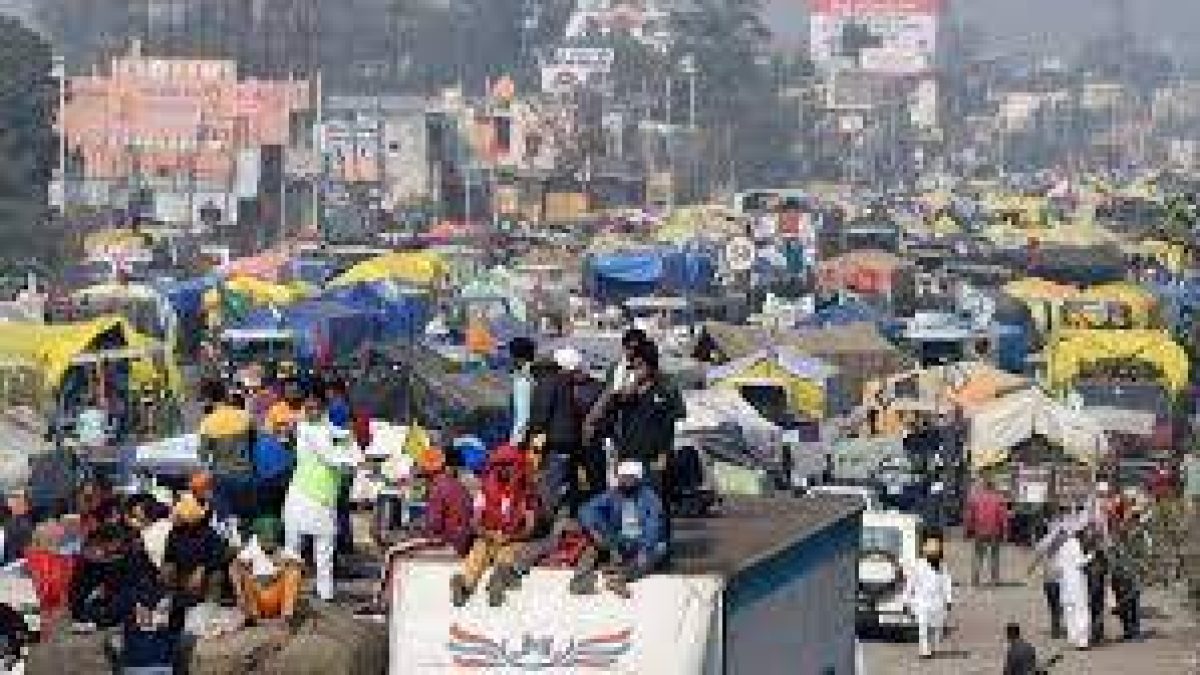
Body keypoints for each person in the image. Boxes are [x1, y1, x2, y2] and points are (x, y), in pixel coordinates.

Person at [593, 340, 684, 542]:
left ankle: (660, 546)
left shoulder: (665, 389)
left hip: (653, 457)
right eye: (633, 366)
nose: (636, 371)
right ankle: (636, 547)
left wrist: (663, 455)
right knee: (630, 505)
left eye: (640, 366)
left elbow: (669, 425)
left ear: (651, 366)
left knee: (656, 504)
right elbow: (607, 418)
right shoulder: (626, 394)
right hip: (628, 456)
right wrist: (622, 389)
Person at [283, 394, 360, 602]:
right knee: (295, 550)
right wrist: (354, 459)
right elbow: (331, 458)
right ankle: (290, 593)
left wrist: (350, 444)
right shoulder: (308, 430)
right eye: (308, 408)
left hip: (321, 499)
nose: (311, 412)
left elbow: (341, 442)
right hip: (304, 496)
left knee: (322, 550)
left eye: (315, 408)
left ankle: (324, 593)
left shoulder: (325, 429)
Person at [450, 444, 537, 608]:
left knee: (507, 554)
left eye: (508, 465)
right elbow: (474, 522)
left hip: (513, 538)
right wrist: (487, 534)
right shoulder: (484, 490)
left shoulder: (527, 492)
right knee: (479, 550)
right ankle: (464, 585)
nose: (504, 470)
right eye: (500, 465)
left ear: (517, 466)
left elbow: (530, 526)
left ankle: (496, 583)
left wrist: (512, 537)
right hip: (488, 534)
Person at [571, 460, 666, 598]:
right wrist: (593, 530)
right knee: (591, 546)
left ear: (637, 478)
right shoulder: (613, 494)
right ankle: (581, 579)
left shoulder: (650, 498)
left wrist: (645, 549)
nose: (625, 481)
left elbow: (653, 526)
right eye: (622, 477)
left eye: (629, 477)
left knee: (657, 550)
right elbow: (586, 509)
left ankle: (619, 578)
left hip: (641, 542)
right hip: (619, 540)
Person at [528, 347, 599, 516]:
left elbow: (542, 413)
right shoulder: (569, 383)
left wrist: (532, 435)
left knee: (551, 479)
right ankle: (571, 510)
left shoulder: (548, 382)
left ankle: (547, 514)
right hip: (572, 439)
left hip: (555, 439)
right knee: (569, 477)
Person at [198, 389, 256, 528]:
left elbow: (203, 455)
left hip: (222, 476)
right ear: (226, 397)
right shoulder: (245, 416)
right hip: (245, 473)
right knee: (245, 518)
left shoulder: (208, 422)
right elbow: (253, 440)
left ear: (210, 401)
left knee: (226, 521)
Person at [229, 517, 303, 624]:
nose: (269, 543)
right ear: (258, 538)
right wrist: (240, 590)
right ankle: (253, 615)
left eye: (272, 540)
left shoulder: (283, 550)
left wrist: (284, 565)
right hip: (257, 596)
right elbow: (234, 566)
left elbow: (302, 566)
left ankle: (286, 615)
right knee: (241, 573)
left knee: (294, 572)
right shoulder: (251, 549)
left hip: (277, 597)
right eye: (266, 540)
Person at [161, 492, 227, 611]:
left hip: (206, 575)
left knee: (216, 576)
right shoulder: (174, 534)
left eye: (178, 514)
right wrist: (167, 569)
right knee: (166, 572)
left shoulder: (209, 534)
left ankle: (210, 608)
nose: (174, 517)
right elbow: (169, 557)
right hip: (183, 573)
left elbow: (219, 557)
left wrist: (202, 568)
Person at [419, 446, 473, 556]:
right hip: (463, 542)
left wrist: (422, 532)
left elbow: (434, 524)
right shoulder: (457, 485)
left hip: (448, 544)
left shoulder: (438, 488)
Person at [25, 521, 76, 637]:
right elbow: (52, 587)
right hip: (49, 609)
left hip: (43, 609)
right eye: (60, 538)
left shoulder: (29, 556)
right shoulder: (57, 560)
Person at [904, 537, 952, 659]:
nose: (934, 557)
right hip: (922, 602)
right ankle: (924, 650)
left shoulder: (942, 566)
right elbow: (911, 583)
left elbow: (947, 582)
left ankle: (932, 646)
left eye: (935, 555)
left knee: (936, 627)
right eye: (931, 555)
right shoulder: (918, 566)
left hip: (938, 602)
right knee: (923, 625)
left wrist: (949, 599)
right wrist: (907, 601)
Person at [1051, 525, 1091, 650]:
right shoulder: (1074, 544)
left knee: (1069, 612)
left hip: (1065, 585)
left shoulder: (1060, 547)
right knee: (1080, 611)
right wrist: (1090, 557)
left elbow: (1057, 568)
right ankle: (1082, 640)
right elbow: (1080, 562)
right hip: (1076, 583)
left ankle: (1073, 638)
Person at [964, 478, 1009, 587]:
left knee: (978, 555)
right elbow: (1003, 517)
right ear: (993, 487)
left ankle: (975, 579)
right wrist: (1005, 531)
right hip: (994, 530)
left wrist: (967, 530)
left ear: (983, 486)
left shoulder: (975, 498)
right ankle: (994, 579)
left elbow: (970, 516)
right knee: (994, 555)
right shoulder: (999, 499)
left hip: (979, 529)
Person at [125, 494, 172, 572]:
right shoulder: (166, 523)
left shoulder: (151, 533)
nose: (131, 521)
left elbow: (158, 564)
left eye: (134, 517)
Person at [507, 337, 538, 447]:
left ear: (518, 358)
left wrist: (514, 442)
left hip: (524, 440)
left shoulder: (524, 379)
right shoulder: (536, 374)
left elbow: (523, 415)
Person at [1081, 527, 1109, 644]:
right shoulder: (1087, 551)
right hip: (1091, 584)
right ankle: (1096, 634)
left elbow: (1106, 567)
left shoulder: (1099, 553)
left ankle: (1097, 634)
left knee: (1096, 610)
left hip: (1096, 584)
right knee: (1094, 610)